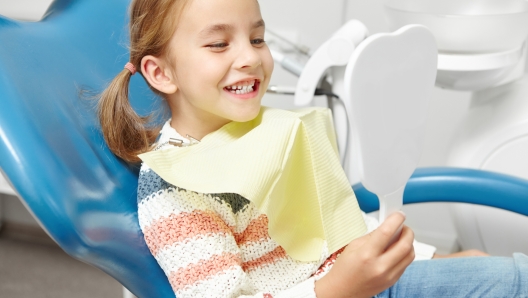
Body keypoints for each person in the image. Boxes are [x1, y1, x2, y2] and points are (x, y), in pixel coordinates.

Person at [97, 0, 528, 297]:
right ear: (162, 72)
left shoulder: (262, 132)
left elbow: (338, 226)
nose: (249, 57)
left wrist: (438, 260)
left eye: (258, 38)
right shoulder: (176, 189)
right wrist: (338, 288)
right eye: (218, 44)